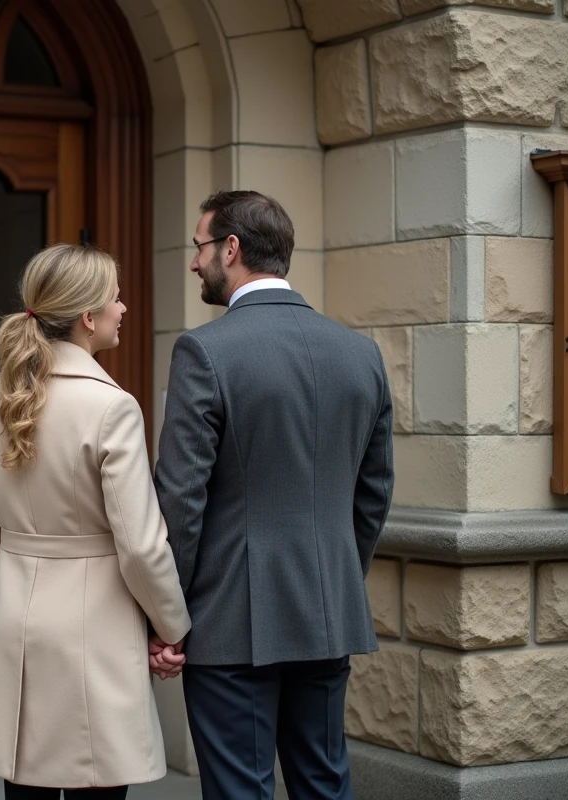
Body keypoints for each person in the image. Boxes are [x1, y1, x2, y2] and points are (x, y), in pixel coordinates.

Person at [149, 191, 394, 799]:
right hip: (326, 612)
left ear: (231, 249)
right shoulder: (361, 354)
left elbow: (181, 498)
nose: (194, 262)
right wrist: (335, 576)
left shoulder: (205, 351)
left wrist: (168, 617)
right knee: (323, 783)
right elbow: (374, 492)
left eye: (200, 247)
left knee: (240, 790)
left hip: (230, 620)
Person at [0, 243, 192, 800]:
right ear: (88, 318)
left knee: (24, 788)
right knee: (97, 787)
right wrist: (171, 627)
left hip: (12, 617)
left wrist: (30, 555)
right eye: (115, 297)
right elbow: (141, 546)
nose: (123, 308)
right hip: (96, 627)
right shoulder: (112, 408)